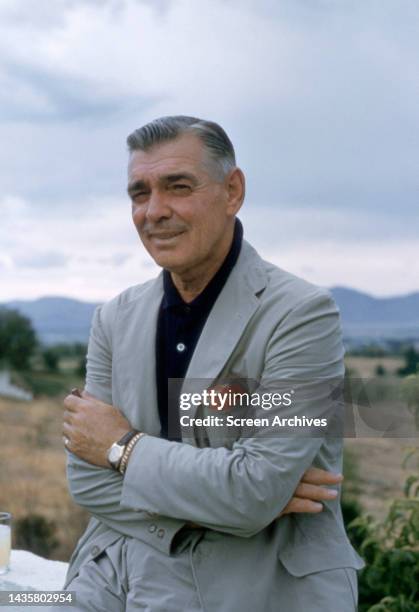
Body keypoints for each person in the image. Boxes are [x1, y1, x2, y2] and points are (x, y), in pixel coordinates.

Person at [61, 116, 364, 611]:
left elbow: (253, 490)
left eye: (178, 187)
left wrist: (122, 447)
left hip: (265, 591)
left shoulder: (304, 314)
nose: (154, 211)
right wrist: (227, 502)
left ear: (233, 191)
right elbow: (87, 480)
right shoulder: (112, 318)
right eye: (139, 194)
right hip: (123, 585)